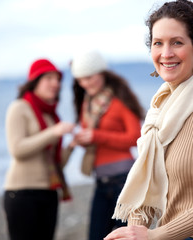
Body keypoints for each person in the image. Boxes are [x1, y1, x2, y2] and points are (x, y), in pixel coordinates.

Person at [105, 1, 193, 240]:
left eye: (177, 42)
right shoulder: (159, 108)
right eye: (158, 43)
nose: (166, 53)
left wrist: (153, 236)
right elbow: (147, 184)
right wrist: (134, 231)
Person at [69, 50, 144, 240]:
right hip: (100, 181)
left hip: (124, 180)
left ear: (101, 73)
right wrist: (83, 140)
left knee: (124, 237)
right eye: (81, 79)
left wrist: (96, 135)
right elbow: (96, 143)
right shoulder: (87, 104)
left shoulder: (119, 101)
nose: (85, 83)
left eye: (89, 77)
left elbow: (135, 137)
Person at [3, 58, 75, 240]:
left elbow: (56, 163)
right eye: (49, 78)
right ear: (35, 81)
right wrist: (53, 132)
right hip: (21, 193)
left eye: (58, 79)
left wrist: (72, 146)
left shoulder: (51, 115)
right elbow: (17, 149)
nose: (55, 84)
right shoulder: (19, 107)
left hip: (49, 192)